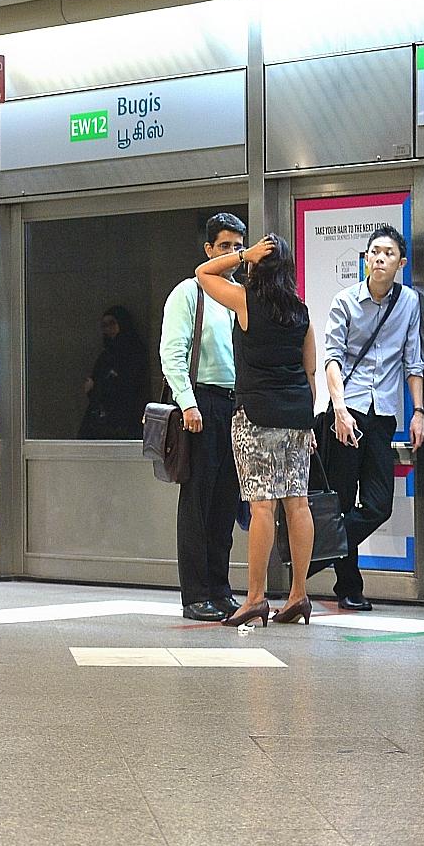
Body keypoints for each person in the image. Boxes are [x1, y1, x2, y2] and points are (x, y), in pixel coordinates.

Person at [196, 234, 318, 628]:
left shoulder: (247, 301)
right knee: (297, 503)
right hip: (298, 416)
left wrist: (241, 254)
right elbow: (310, 369)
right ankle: (299, 595)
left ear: (256, 267)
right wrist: (309, 420)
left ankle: (255, 599)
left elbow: (202, 273)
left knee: (262, 505)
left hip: (257, 415)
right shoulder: (301, 311)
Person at [312, 224, 424, 611]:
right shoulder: (345, 301)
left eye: (388, 253)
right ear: (366, 259)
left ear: (401, 262)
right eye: (374, 252)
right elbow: (332, 359)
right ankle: (349, 588)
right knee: (342, 500)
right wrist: (340, 410)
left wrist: (419, 411)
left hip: (382, 416)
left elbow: (414, 361)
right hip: (348, 411)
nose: (380, 258)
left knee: (379, 504)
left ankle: (320, 549)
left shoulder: (409, 302)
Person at [162, 213, 246, 622]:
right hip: (201, 403)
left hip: (234, 404)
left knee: (226, 500)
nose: (233, 255)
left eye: (238, 247)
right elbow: (172, 354)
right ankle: (194, 593)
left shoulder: (239, 295)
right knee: (197, 498)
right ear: (209, 251)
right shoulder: (189, 293)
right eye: (226, 246)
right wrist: (188, 402)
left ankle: (220, 587)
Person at [77, 305, 148, 440]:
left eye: (112, 324)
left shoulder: (133, 352)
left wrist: (99, 386)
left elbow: (127, 386)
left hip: (124, 418)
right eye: (104, 325)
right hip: (102, 418)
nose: (108, 329)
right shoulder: (107, 355)